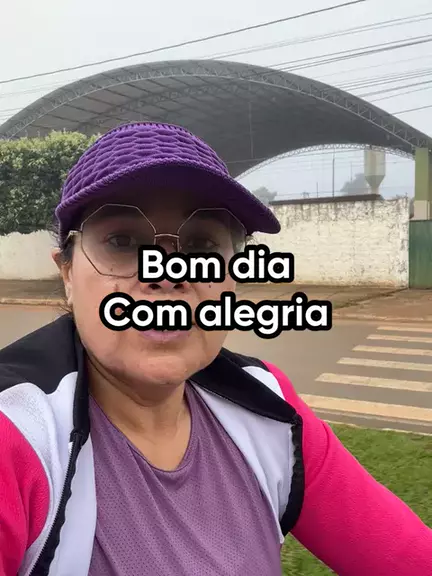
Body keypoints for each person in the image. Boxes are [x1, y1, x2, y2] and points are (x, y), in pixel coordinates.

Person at [0, 122, 430, 576]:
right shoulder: (17, 431)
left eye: (201, 245)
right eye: (122, 242)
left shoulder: (266, 403)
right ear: (67, 273)